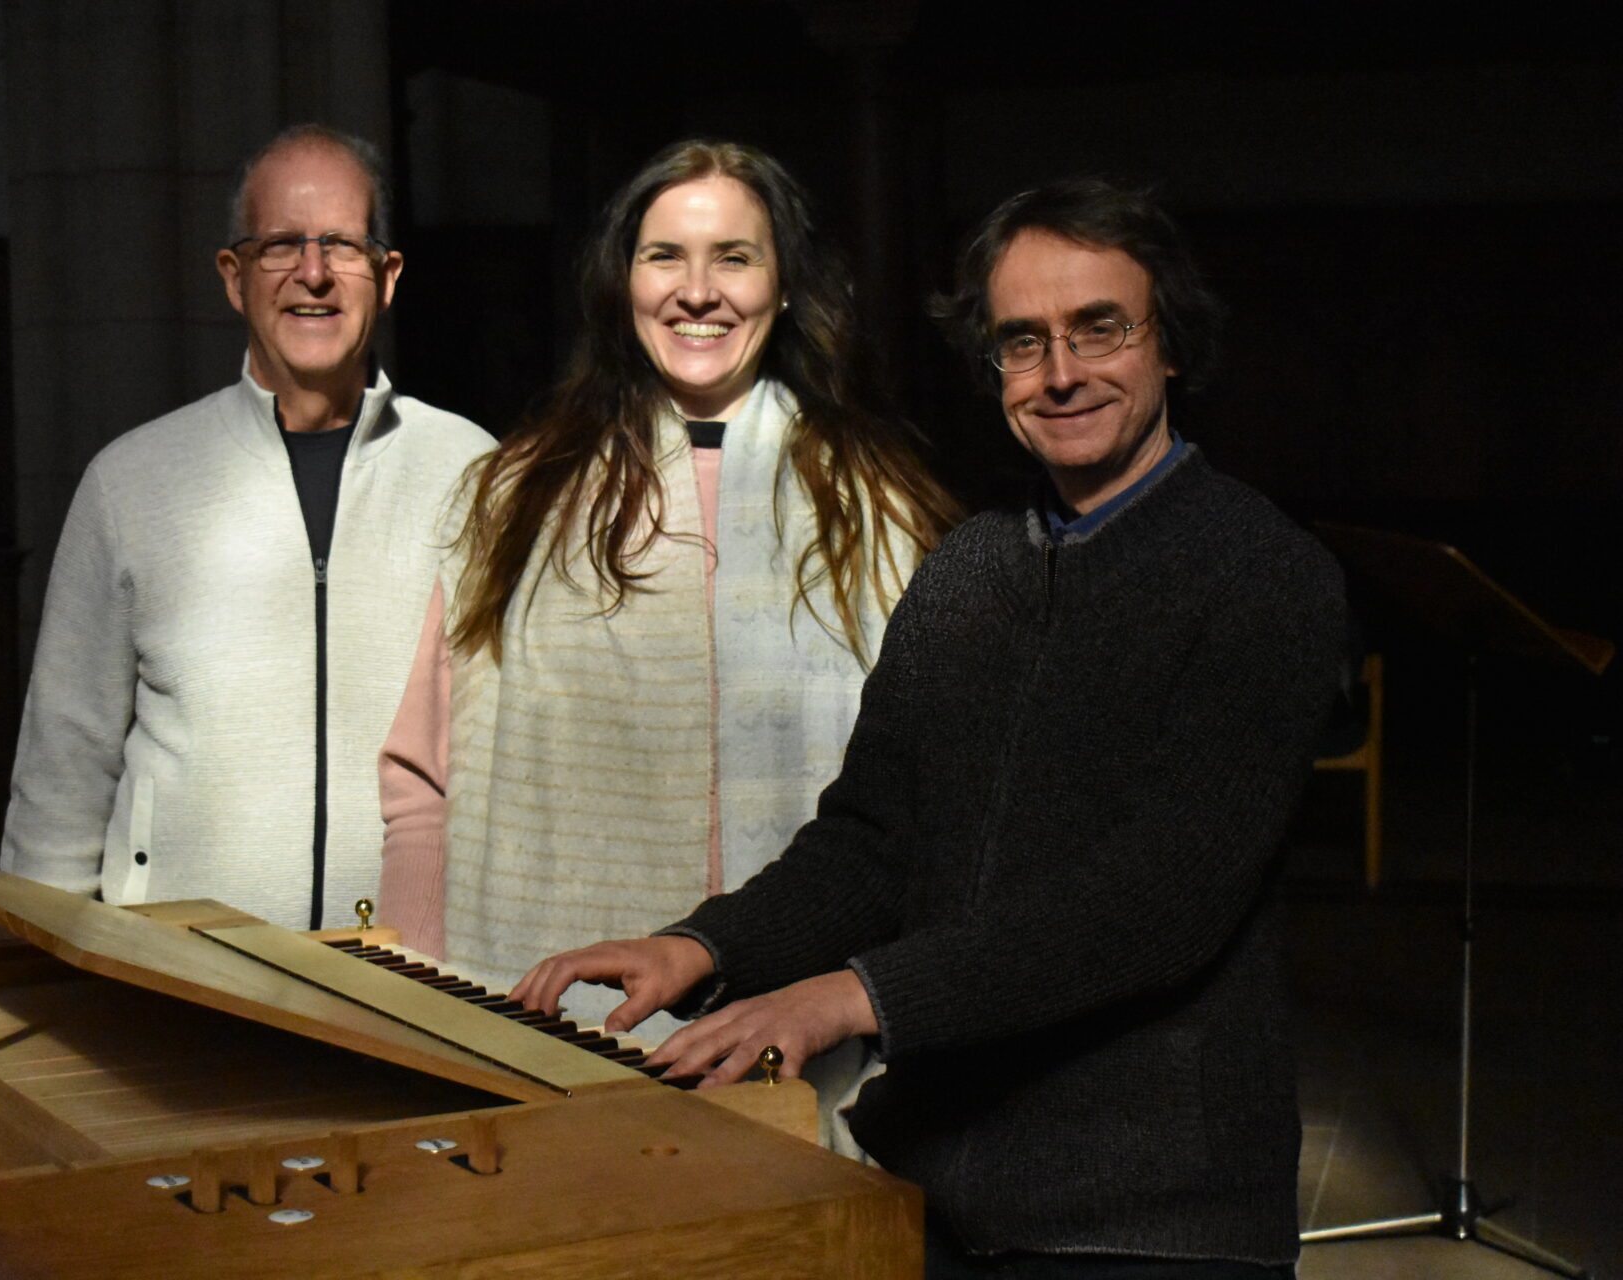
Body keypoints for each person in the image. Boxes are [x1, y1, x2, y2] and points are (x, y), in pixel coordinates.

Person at [514, 178, 1347, 1278]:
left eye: (1100, 327)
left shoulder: (1264, 576)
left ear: (1170, 344)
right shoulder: (970, 567)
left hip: (1150, 1211)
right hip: (942, 1187)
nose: (1061, 372)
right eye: (1021, 341)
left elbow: (1157, 901)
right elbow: (872, 839)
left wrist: (850, 995)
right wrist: (705, 944)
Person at [378, 140, 960, 1041]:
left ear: (786, 284)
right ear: (623, 283)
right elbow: (423, 781)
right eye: (665, 257)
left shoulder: (877, 507)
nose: (698, 291)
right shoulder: (514, 497)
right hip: (548, 1009)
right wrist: (419, 999)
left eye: (735, 256)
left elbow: (937, 793)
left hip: (797, 1019)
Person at [2, 124, 494, 930]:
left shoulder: (474, 475)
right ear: (234, 278)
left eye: (341, 244)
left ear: (387, 274)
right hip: (179, 983)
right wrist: (39, 969)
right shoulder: (129, 482)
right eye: (281, 246)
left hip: (414, 978)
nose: (312, 273)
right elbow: (63, 772)